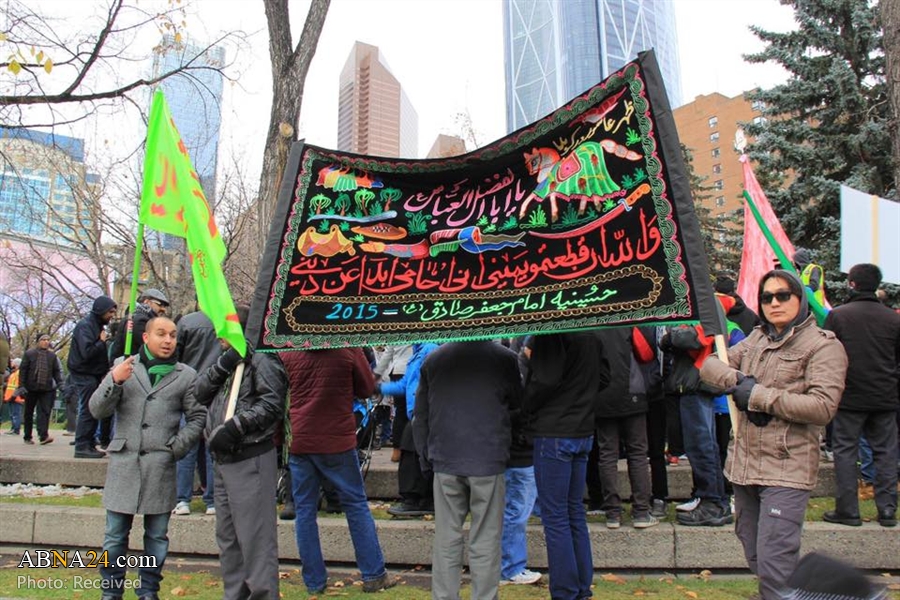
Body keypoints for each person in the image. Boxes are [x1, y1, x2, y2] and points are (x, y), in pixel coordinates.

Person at [700, 269, 848, 600]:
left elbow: (823, 407)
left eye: (783, 295)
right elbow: (710, 365)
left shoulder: (823, 346)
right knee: (757, 556)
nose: (774, 303)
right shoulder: (756, 338)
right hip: (744, 467)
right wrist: (738, 381)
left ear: (800, 299)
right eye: (767, 297)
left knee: (774, 565)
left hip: (787, 468)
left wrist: (758, 396)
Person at [88, 316, 206, 600]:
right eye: (161, 334)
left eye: (173, 335)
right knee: (115, 536)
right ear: (145, 337)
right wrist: (115, 381)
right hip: (124, 464)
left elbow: (198, 416)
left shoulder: (186, 375)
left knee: (156, 538)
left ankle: (148, 590)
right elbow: (96, 410)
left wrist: (177, 447)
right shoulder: (123, 366)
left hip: (161, 465)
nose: (168, 340)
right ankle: (111, 591)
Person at [279, 346, 396, 595]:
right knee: (355, 504)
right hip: (336, 439)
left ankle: (314, 581)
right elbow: (366, 388)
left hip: (301, 438)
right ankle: (374, 574)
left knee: (305, 510)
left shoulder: (288, 352)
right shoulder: (346, 349)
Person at [413, 340, 523, 600]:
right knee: (486, 537)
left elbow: (421, 413)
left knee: (446, 537)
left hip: (445, 457)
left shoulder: (434, 359)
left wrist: (425, 457)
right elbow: (518, 403)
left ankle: (444, 596)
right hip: (488, 456)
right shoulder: (504, 358)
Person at [193, 305, 287, 600]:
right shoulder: (227, 359)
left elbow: (271, 404)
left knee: (255, 540)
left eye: (225, 329)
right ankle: (234, 594)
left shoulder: (264, 359)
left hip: (250, 458)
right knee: (229, 539)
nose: (219, 336)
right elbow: (200, 391)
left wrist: (235, 427)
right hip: (222, 461)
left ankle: (262, 594)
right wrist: (225, 363)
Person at [523, 332, 609, 600]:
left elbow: (544, 381)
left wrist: (523, 408)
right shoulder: (592, 334)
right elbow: (605, 377)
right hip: (582, 429)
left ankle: (565, 592)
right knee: (573, 514)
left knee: (556, 517)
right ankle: (580, 588)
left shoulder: (552, 333)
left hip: (554, 432)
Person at [822, 263, 899, 528]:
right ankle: (887, 509)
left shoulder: (839, 316)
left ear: (851, 284)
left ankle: (848, 510)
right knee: (886, 452)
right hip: (884, 396)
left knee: (844, 451)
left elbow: (827, 355)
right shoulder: (893, 318)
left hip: (849, 396)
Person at [593, 327, 658, 529]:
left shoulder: (590, 324)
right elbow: (647, 352)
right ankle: (641, 511)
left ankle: (612, 512)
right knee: (638, 453)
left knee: (607, 454)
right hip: (633, 393)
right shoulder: (629, 318)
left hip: (601, 395)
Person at [378, 342, 439, 517]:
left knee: (413, 454)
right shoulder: (417, 351)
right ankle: (422, 500)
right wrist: (378, 388)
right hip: (417, 412)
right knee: (412, 452)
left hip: (425, 412)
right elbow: (405, 384)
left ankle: (414, 500)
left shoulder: (429, 349)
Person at [172, 310, 222, 517]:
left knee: (186, 448)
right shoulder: (224, 322)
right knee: (213, 449)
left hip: (190, 391)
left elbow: (175, 356)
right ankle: (212, 500)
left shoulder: (186, 322)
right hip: (216, 391)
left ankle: (182, 499)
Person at [70, 295, 118, 459]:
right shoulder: (86, 326)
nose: (112, 315)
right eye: (110, 312)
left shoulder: (95, 325)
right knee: (88, 408)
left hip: (92, 372)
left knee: (92, 408)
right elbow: (87, 352)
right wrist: (101, 342)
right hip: (84, 373)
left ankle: (88, 442)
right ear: (101, 310)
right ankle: (82, 445)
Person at [19, 333, 64, 445]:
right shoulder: (29, 354)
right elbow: (23, 371)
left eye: (48, 340)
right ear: (38, 341)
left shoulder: (52, 356)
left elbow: (56, 372)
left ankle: (43, 436)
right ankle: (27, 436)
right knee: (28, 412)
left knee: (45, 412)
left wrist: (61, 384)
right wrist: (21, 386)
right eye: (43, 339)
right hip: (31, 388)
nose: (46, 342)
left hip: (46, 388)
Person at [373, 344, 413, 462]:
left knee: (400, 412)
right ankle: (409, 448)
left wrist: (377, 374)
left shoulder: (396, 328)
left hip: (396, 371)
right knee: (412, 409)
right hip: (411, 368)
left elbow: (388, 353)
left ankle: (397, 451)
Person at [110, 288, 170, 359]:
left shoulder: (130, 317)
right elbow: (150, 349)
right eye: (160, 304)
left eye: (164, 306)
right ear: (147, 302)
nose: (163, 309)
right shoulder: (141, 321)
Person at [3, 358, 24, 435]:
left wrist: (14, 396)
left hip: (16, 398)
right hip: (10, 397)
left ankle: (16, 429)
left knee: (16, 414)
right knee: (12, 414)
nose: (12, 365)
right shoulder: (13, 374)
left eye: (13, 363)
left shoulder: (19, 374)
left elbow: (19, 386)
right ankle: (13, 428)